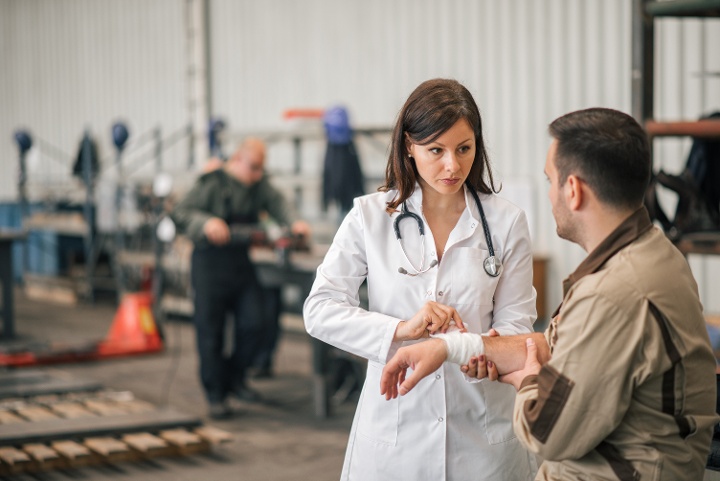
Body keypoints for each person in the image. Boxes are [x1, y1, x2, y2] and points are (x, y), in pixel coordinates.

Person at [380, 108, 719, 480]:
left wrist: (527, 381)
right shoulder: (652, 252)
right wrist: (449, 348)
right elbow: (553, 345)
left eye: (550, 180)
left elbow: (546, 431)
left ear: (573, 190)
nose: (550, 194)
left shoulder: (612, 293)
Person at [303, 78, 540, 480]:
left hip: (482, 437)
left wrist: (483, 352)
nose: (453, 165)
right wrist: (401, 329)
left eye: (464, 149)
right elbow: (320, 310)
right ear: (409, 147)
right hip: (397, 436)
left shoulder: (505, 221)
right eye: (436, 150)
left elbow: (518, 323)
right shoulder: (371, 217)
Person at [172, 137, 309, 419]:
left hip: (240, 263)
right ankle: (216, 394)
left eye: (261, 169)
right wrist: (206, 222)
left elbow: (279, 203)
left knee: (256, 322)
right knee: (211, 332)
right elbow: (180, 212)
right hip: (209, 265)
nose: (258, 174)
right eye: (254, 167)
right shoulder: (212, 182)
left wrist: (295, 222)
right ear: (237, 160)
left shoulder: (258, 186)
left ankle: (235, 378)